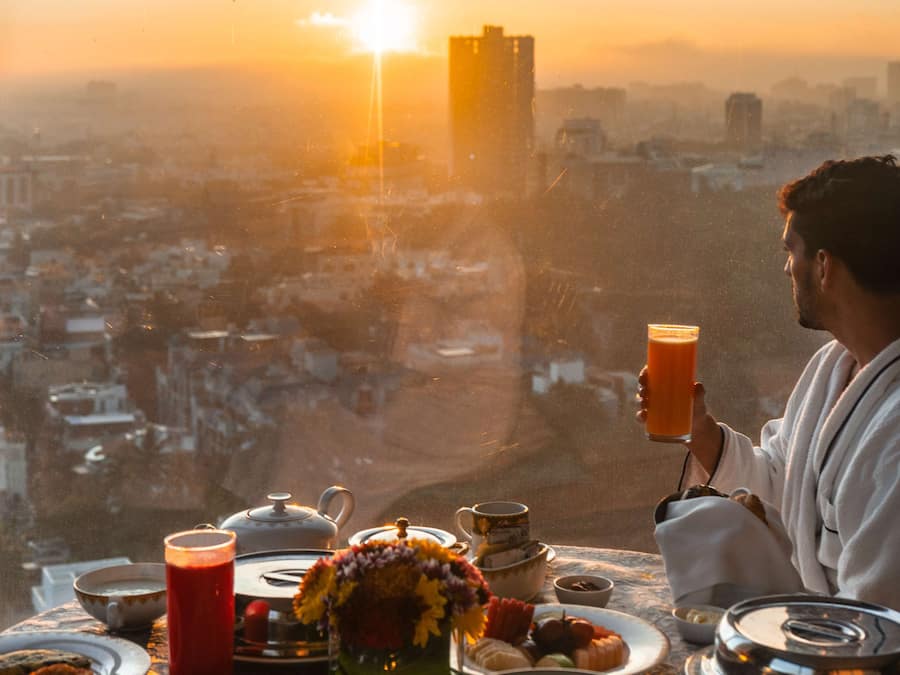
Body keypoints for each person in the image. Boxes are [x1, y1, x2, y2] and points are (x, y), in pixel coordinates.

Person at [638, 155, 900, 609]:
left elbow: (878, 617)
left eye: (790, 251)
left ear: (824, 265)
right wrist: (702, 432)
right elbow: (782, 485)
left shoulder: (893, 431)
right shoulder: (831, 367)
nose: (785, 269)